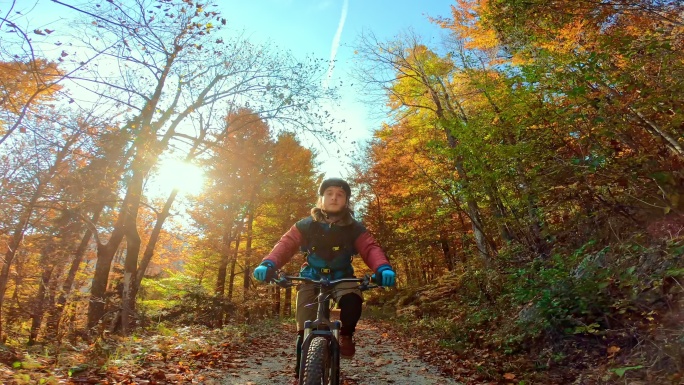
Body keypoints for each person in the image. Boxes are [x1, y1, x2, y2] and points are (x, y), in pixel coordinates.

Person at [252, 177, 396, 370]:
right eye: (329, 193)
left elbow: (370, 248)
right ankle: (303, 363)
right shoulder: (305, 225)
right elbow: (286, 245)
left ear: (346, 201)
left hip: (341, 275)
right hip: (311, 275)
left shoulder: (355, 228)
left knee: (352, 298)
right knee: (305, 325)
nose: (334, 198)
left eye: (340, 194)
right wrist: (268, 264)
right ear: (321, 198)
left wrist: (383, 268)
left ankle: (345, 335)